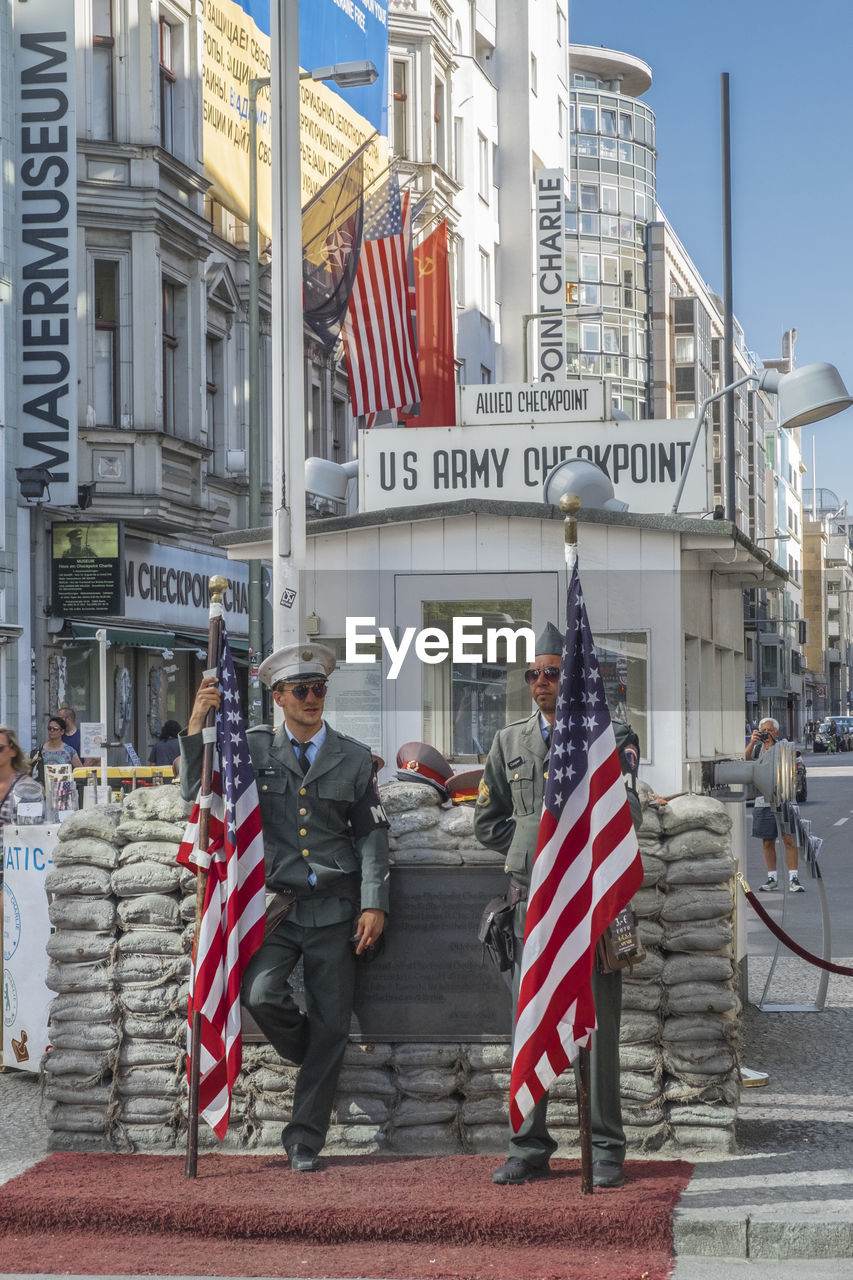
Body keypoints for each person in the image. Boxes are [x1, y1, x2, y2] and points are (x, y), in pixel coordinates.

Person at [179, 641, 390, 1173]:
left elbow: (371, 838)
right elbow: (195, 791)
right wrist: (198, 723)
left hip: (336, 909)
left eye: (319, 689)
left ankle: (303, 1139)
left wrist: (374, 903)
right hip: (275, 908)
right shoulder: (249, 750)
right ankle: (314, 1053)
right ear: (278, 699)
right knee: (262, 994)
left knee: (333, 1021)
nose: (312, 698)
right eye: (301, 691)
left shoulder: (354, 756)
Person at [474, 621, 639, 1190]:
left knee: (599, 1031)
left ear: (571, 679)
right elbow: (486, 821)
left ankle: (607, 1146)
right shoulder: (508, 742)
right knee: (533, 1024)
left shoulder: (609, 738)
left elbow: (629, 818)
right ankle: (529, 1146)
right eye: (534, 675)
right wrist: (533, 854)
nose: (542, 683)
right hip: (533, 908)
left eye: (552, 673)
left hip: (591, 906)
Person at [747, 717, 804, 893]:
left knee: (789, 839)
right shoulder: (757, 748)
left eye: (770, 730)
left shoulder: (784, 746)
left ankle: (794, 878)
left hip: (784, 799)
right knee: (767, 841)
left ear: (777, 732)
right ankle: (772, 878)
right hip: (762, 801)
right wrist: (752, 742)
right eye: (764, 730)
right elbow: (746, 761)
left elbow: (789, 764)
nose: (767, 733)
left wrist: (772, 744)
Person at [0, 727, 35, 851]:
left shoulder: (26, 786)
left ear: (13, 751)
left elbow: (33, 829)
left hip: (12, 861)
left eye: (0, 748)